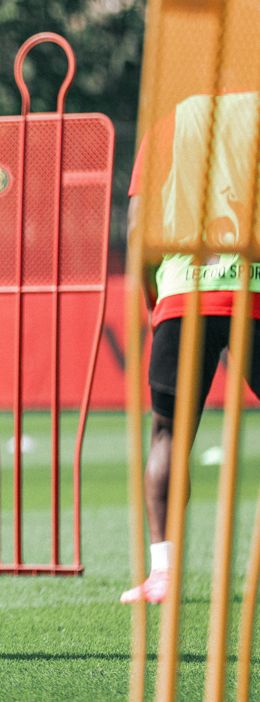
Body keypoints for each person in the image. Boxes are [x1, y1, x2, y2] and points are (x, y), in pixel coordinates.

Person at [121, 90, 260, 604]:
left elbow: (137, 226)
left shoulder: (168, 123)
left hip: (183, 289)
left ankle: (162, 575)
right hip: (253, 287)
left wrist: (153, 296)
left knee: (168, 435)